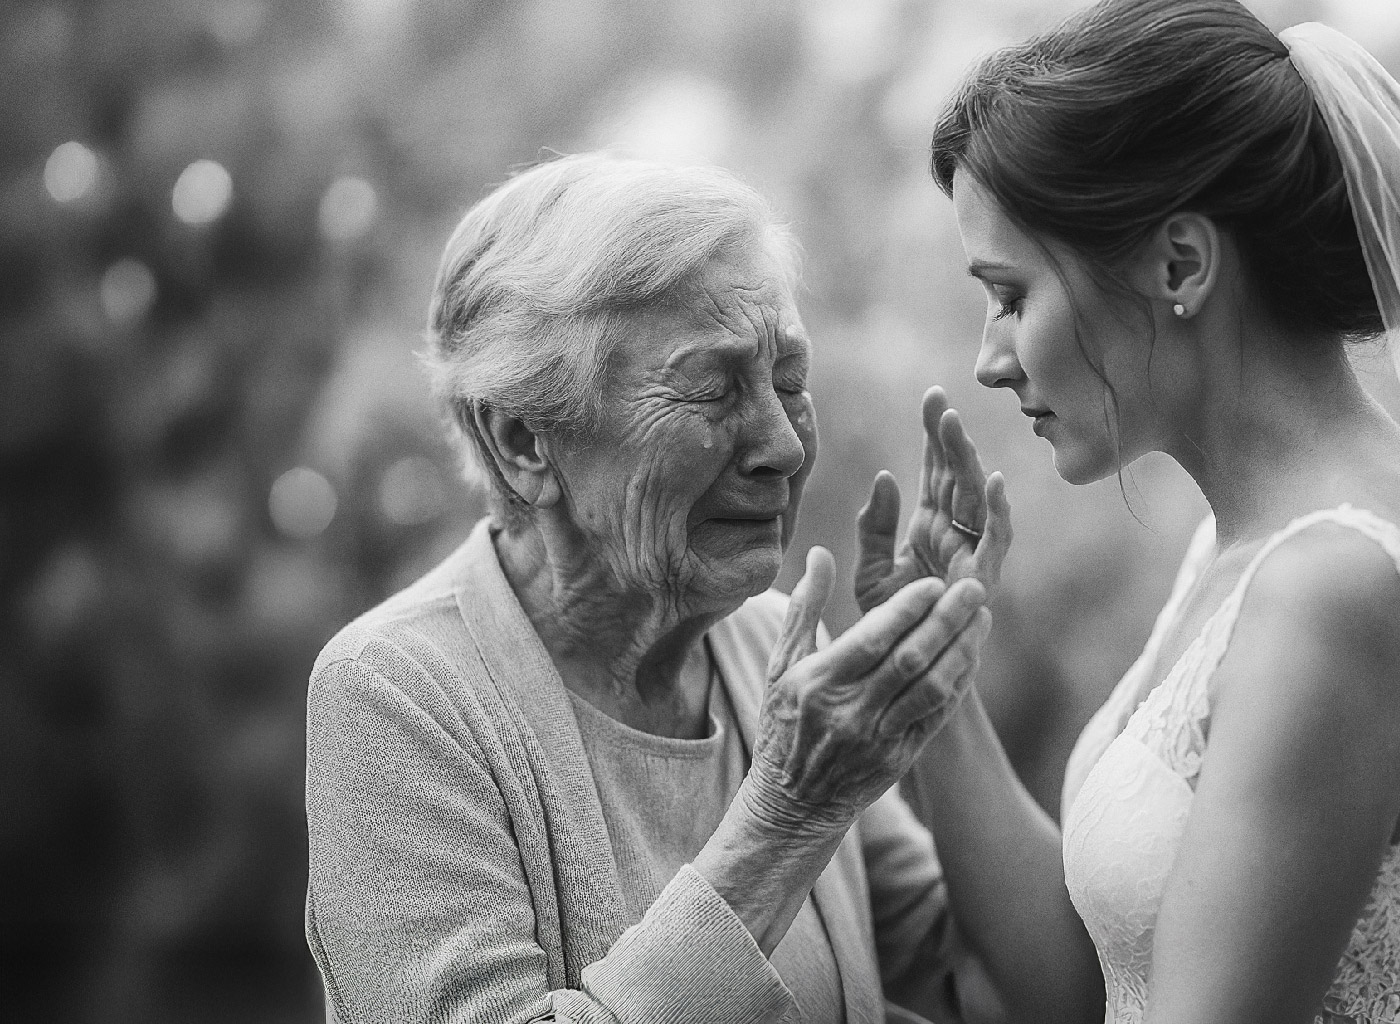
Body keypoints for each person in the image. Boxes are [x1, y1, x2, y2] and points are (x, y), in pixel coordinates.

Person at [856, 2, 1400, 1022]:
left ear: (1180, 265)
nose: (990, 358)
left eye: (1012, 294)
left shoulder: (1337, 595)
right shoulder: (1246, 547)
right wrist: (932, 685)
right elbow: (1097, 989)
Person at [303, 154, 1005, 1024]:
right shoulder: (397, 695)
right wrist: (787, 816)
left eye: (790, 380)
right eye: (712, 389)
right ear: (525, 440)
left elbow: (984, 988)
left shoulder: (775, 650)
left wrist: (934, 677)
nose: (783, 444)